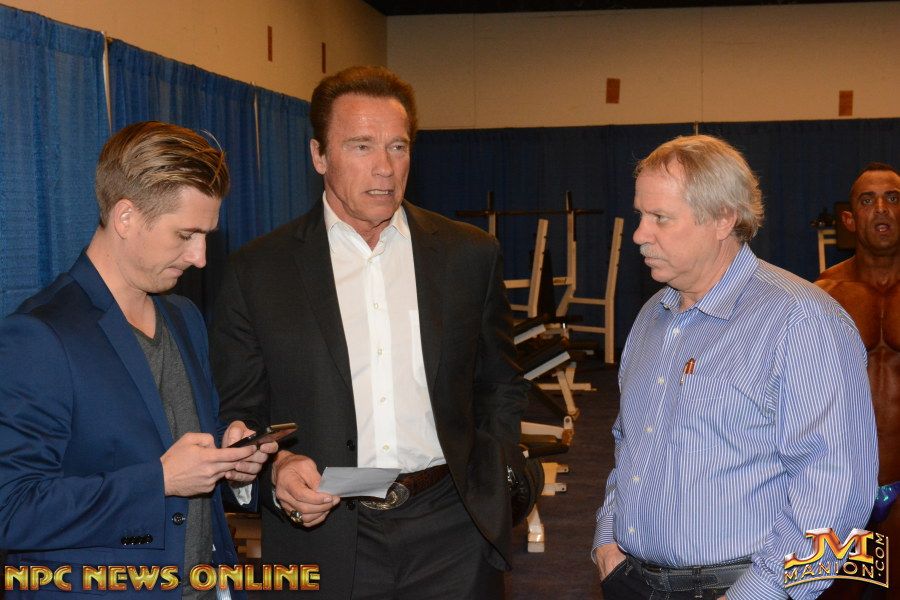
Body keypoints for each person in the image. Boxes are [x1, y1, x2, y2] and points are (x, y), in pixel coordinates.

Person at [208, 65, 527, 599]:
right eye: (361, 146)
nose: (385, 167)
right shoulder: (257, 272)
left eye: (398, 147)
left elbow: (499, 383)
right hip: (325, 532)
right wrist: (275, 469)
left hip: (453, 529)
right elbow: (240, 414)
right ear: (318, 156)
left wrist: (498, 475)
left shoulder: (469, 255)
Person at [592, 134, 878, 600]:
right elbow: (630, 442)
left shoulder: (802, 320)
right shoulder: (651, 317)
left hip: (740, 587)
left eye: (660, 217)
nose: (640, 234)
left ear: (723, 218)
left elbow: (836, 495)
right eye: (641, 215)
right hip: (632, 580)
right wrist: (608, 541)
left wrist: (761, 592)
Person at [0, 121, 277, 598]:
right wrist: (161, 480)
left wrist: (231, 455)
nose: (200, 257)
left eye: (206, 236)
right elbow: (12, 508)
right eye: (186, 234)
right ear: (126, 217)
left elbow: (180, 445)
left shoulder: (184, 316)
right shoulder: (40, 335)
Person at [816, 163, 900, 599]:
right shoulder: (822, 295)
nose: (881, 208)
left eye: (893, 198)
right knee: (827, 595)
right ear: (849, 220)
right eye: (868, 200)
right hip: (839, 489)